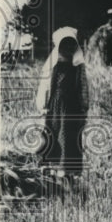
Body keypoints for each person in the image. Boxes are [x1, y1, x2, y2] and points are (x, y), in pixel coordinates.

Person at [36, 29, 89, 177]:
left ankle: (68, 171)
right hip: (55, 105)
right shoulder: (53, 63)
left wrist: (84, 106)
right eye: (64, 45)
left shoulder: (78, 64)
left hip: (72, 106)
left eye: (71, 45)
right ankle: (52, 169)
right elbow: (46, 85)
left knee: (69, 136)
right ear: (58, 46)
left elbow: (82, 85)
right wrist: (43, 106)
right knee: (53, 135)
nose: (68, 49)